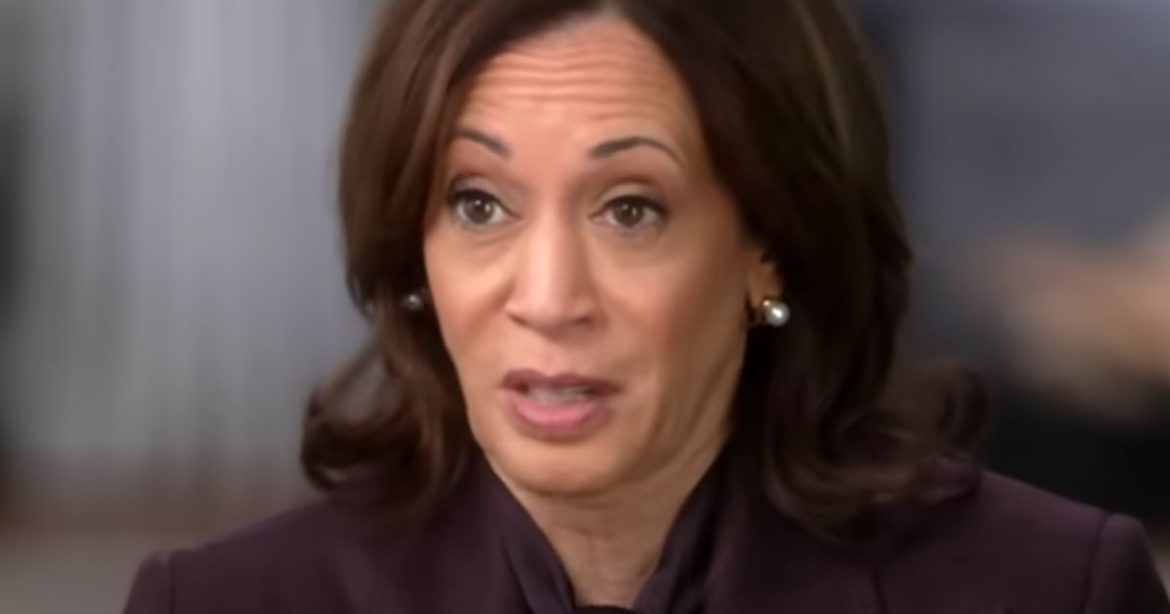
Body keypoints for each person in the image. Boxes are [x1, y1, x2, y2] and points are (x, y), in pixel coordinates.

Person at [122, 0, 1170, 612]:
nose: (548, 299)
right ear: (414, 251)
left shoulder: (1049, 590)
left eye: (631, 209)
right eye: (480, 204)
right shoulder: (223, 604)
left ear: (771, 250)